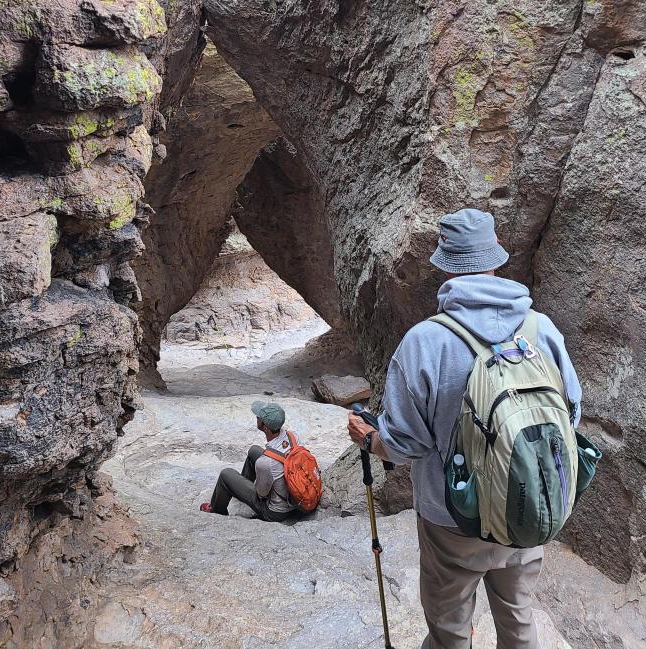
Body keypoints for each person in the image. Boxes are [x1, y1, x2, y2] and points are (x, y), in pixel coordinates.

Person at [347, 208, 582, 649]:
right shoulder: (541, 329)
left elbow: (402, 446)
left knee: (450, 631)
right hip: (527, 508)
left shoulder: (425, 342)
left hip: (451, 518)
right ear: (496, 260)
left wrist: (368, 438)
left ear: (443, 265)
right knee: (519, 624)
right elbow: (570, 417)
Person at [200, 401, 298, 522]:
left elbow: (261, 494)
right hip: (293, 497)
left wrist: (263, 477)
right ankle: (237, 489)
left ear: (265, 428)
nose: (256, 418)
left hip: (275, 511)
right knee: (254, 450)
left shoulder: (265, 463)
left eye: (258, 417)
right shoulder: (292, 437)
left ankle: (216, 510)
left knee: (226, 474)